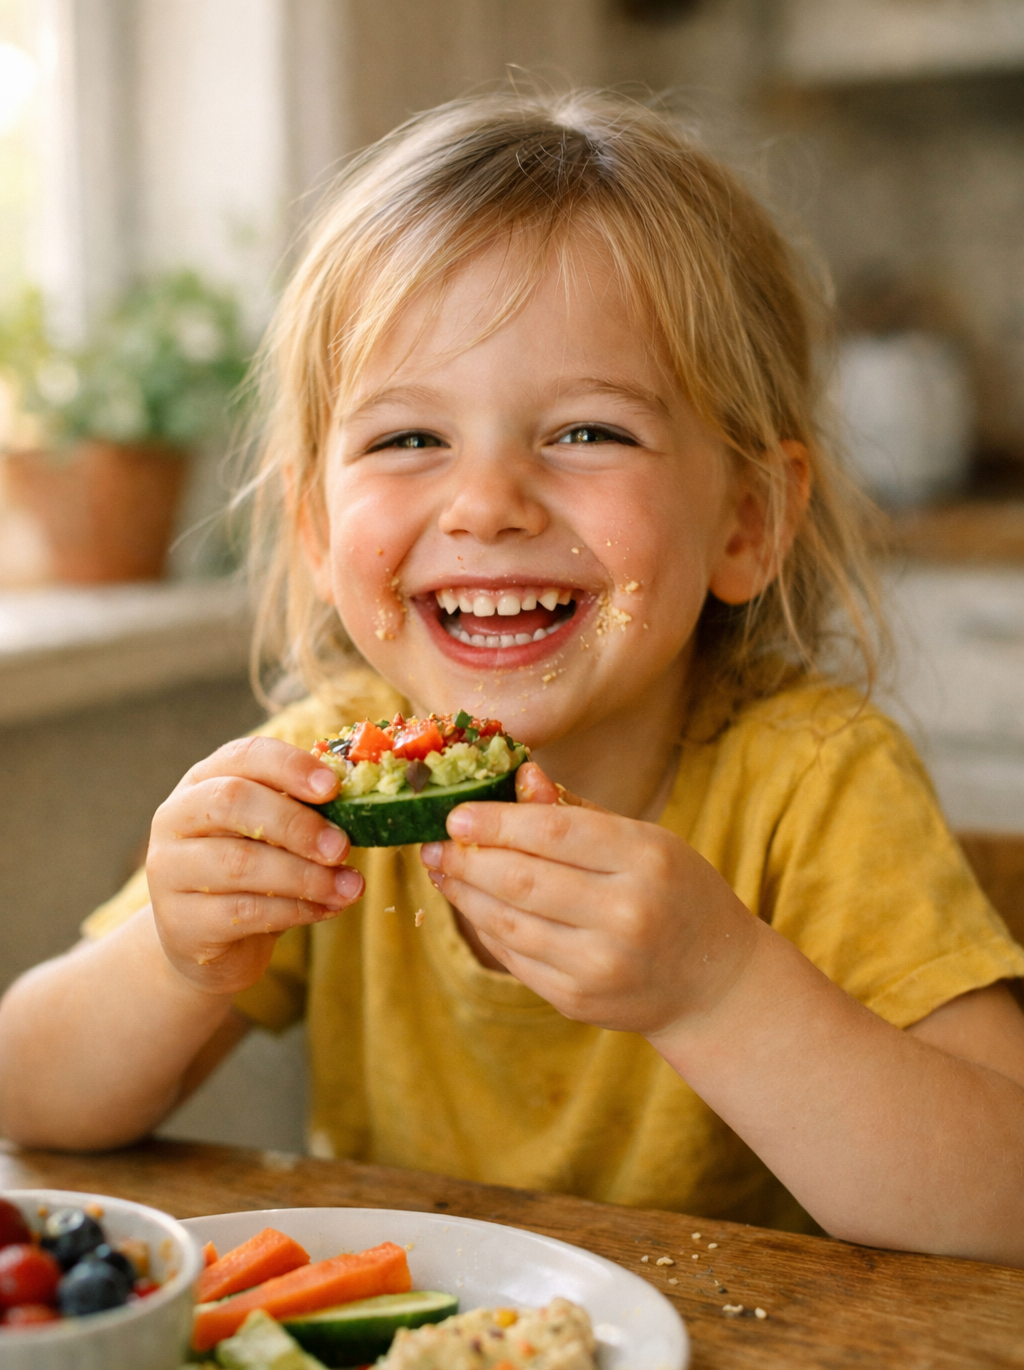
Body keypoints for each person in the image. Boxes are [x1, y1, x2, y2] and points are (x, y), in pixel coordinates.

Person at [2, 95, 1023, 1264]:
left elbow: (1005, 1200)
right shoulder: (322, 772)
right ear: (320, 532)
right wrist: (176, 956)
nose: (487, 505)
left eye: (587, 432)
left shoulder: (812, 785)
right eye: (406, 440)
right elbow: (29, 1099)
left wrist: (719, 986)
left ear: (745, 520)